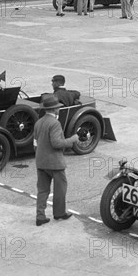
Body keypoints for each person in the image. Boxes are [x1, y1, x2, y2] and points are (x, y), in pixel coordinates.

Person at [34, 95, 80, 226]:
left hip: (41, 161)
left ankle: (40, 216)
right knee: (60, 189)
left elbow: (35, 141)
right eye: (58, 108)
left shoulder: (39, 122)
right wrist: (73, 139)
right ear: (55, 109)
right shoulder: (55, 123)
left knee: (42, 190)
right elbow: (57, 143)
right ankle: (59, 213)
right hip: (55, 163)